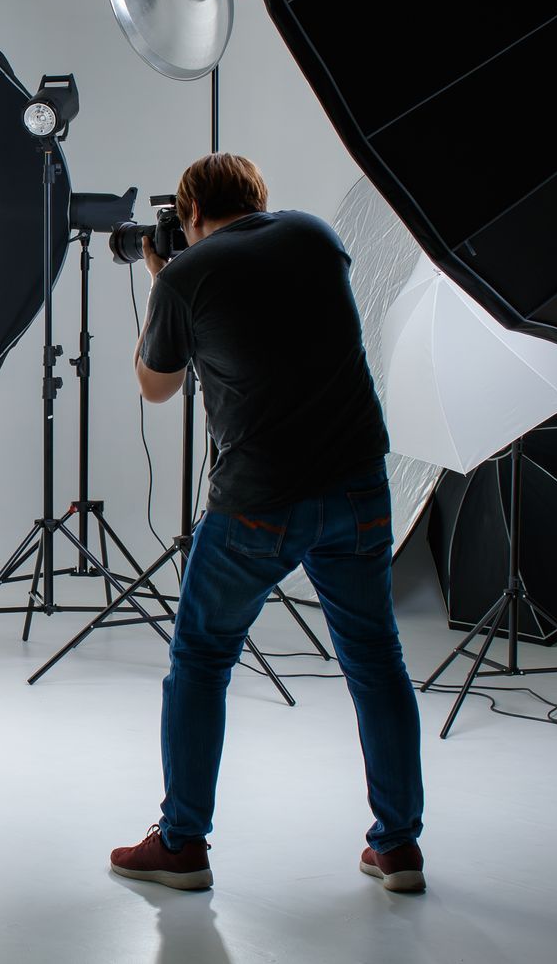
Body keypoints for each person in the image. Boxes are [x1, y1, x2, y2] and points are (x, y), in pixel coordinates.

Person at [108, 153, 426, 892]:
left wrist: (161, 282)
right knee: (376, 659)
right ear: (258, 197)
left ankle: (182, 845)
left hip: (258, 501)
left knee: (201, 659)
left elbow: (155, 387)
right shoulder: (316, 237)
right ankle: (399, 848)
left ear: (190, 213)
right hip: (356, 483)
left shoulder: (185, 276)